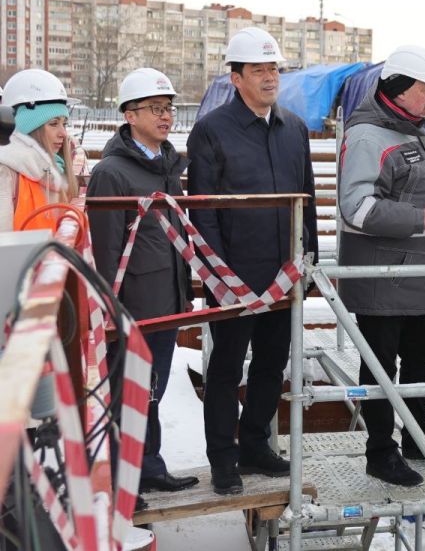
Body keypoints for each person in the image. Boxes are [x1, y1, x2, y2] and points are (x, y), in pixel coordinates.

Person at [187, 27, 318, 496]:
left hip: (282, 275)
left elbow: (306, 197)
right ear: (236, 77)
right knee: (225, 368)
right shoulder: (211, 131)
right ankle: (223, 457)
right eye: (259, 70)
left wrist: (308, 259)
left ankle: (255, 444)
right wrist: (220, 276)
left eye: (274, 69)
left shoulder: (294, 129)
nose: (270, 78)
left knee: (271, 363)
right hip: (233, 279)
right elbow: (202, 208)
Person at [338, 44, 425, 487]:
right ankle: (380, 450)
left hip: (416, 277)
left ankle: (417, 437)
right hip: (383, 280)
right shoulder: (369, 136)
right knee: (379, 367)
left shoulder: (413, 131)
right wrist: (422, 219)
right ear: (397, 88)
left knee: (419, 359)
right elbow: (355, 207)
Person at [86, 68, 198, 496]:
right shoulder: (112, 174)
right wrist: (114, 313)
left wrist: (182, 295)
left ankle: (148, 466)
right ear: (130, 115)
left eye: (168, 108)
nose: (166, 116)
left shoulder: (167, 166)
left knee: (151, 393)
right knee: (128, 395)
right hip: (133, 308)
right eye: (155, 108)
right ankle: (121, 485)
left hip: (165, 303)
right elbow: (107, 253)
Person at [0, 69, 78, 232]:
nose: (63, 133)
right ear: (27, 127)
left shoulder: (52, 172)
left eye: (64, 124)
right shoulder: (5, 173)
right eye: (53, 123)